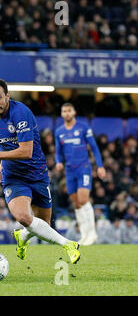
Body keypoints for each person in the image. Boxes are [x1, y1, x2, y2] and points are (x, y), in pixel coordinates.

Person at [0, 78, 81, 264]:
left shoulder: (20, 113)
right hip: (14, 177)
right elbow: (5, 144)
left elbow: (26, 151)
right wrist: (1, 165)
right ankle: (68, 244)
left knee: (43, 225)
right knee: (25, 217)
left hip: (36, 173)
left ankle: (22, 237)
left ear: (7, 96)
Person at [54, 103, 105, 245]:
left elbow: (94, 148)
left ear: (74, 112)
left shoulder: (83, 128)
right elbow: (58, 151)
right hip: (69, 170)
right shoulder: (59, 131)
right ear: (62, 114)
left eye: (69, 110)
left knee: (83, 200)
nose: (67, 113)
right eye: (64, 111)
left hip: (84, 167)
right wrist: (58, 161)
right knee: (76, 204)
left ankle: (92, 233)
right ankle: (84, 235)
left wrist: (100, 166)